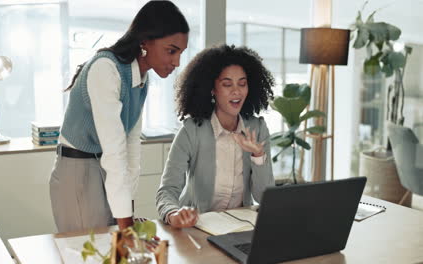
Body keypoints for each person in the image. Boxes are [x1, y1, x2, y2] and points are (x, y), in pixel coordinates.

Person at [50, 0, 189, 232]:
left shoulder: (141, 80)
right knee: (92, 253)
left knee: (114, 251)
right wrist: (126, 229)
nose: (177, 62)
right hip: (78, 173)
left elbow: (131, 150)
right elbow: (115, 154)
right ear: (145, 41)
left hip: (102, 169)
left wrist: (128, 214)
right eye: (171, 51)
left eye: (181, 53)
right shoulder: (106, 69)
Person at [156, 44, 276, 228]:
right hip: (197, 226)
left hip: (240, 226)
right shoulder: (192, 130)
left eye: (242, 84)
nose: (236, 91)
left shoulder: (257, 129)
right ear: (212, 89)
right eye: (227, 84)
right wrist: (173, 213)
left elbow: (264, 198)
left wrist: (258, 157)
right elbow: (167, 190)